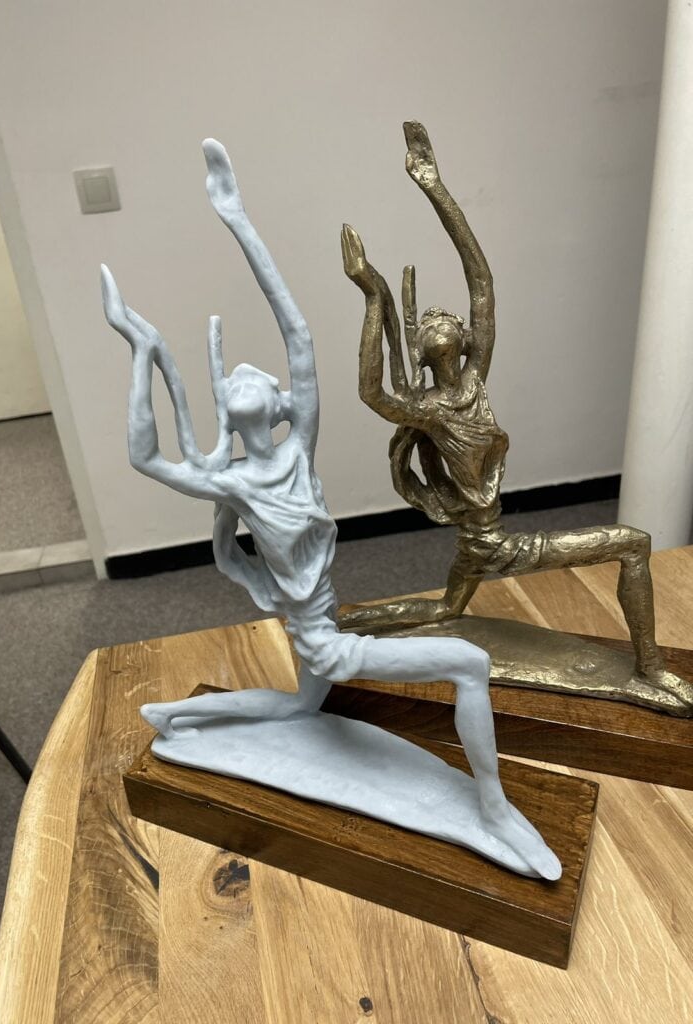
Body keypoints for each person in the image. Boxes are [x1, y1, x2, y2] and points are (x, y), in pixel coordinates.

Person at [101, 138, 559, 878]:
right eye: (237, 378)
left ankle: (178, 716)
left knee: (298, 709)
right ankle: (493, 806)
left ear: (278, 404)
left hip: (327, 627)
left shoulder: (297, 451)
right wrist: (139, 350)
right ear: (235, 409)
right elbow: (146, 457)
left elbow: (299, 334)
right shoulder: (237, 483)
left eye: (259, 377)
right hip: (325, 643)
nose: (250, 373)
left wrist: (237, 219)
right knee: (469, 665)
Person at [339, 121, 693, 713]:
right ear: (423, 352)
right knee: (633, 544)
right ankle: (650, 670)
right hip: (496, 542)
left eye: (450, 318)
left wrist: (433, 185)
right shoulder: (428, 411)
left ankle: (347, 623)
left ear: (466, 341)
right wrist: (373, 297)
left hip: (484, 541)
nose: (442, 318)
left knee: (447, 608)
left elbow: (480, 280)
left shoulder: (474, 381)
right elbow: (371, 390)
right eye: (430, 322)